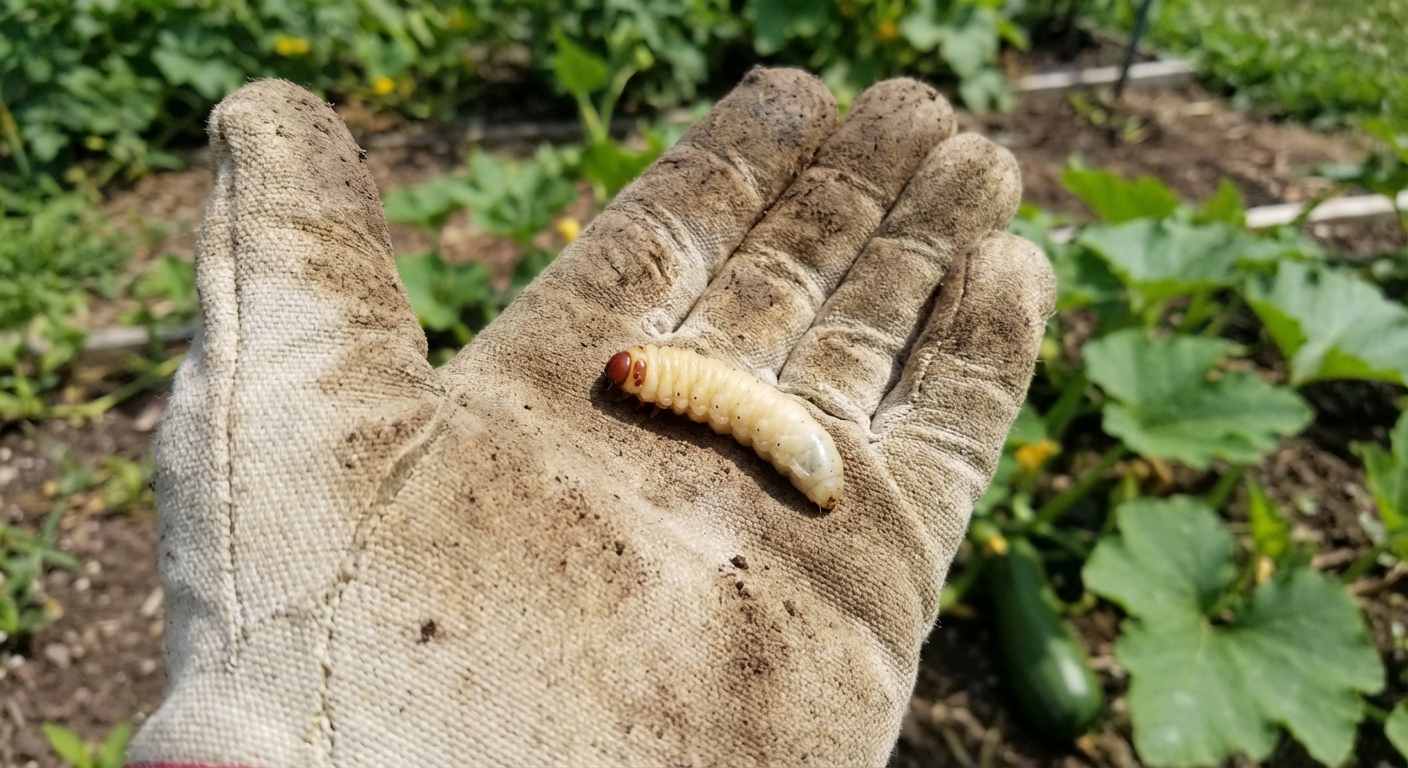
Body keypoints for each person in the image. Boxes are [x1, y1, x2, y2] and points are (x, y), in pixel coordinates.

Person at [126, 67, 1054, 767]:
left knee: (786, 441)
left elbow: (772, 428)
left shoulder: (699, 393)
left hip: (810, 455)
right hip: (804, 448)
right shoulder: (673, 382)